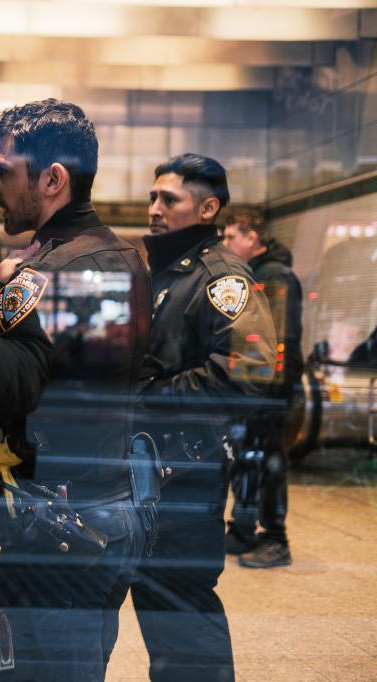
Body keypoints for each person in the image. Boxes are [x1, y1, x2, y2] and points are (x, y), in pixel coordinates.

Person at [0, 99, 152, 680]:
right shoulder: (117, 258)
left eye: (3, 170)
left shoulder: (52, 275)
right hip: (91, 517)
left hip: (66, 530)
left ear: (53, 179)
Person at [131, 154, 277, 682]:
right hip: (158, 469)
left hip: (188, 474)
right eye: (153, 197)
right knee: (159, 600)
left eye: (168, 199)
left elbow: (251, 371)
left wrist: (149, 398)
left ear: (208, 207)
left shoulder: (220, 276)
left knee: (182, 607)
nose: (154, 208)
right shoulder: (170, 271)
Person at [222, 209, 303, 568]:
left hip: (270, 391)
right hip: (255, 388)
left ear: (251, 238)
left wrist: (269, 391)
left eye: (230, 238)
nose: (225, 244)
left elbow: (278, 340)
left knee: (269, 463)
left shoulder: (275, 277)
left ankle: (275, 539)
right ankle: (242, 533)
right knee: (249, 462)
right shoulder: (256, 274)